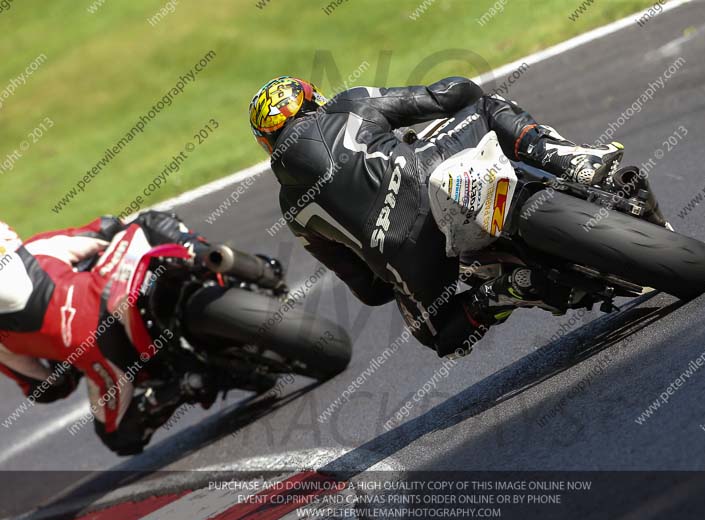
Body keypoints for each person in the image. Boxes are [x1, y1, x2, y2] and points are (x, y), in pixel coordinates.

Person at [248, 76, 633, 357]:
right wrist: (465, 89)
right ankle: (571, 160)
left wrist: (392, 265)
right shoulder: (350, 104)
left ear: (268, 143)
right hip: (427, 175)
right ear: (314, 99)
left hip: (406, 257)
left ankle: (504, 291)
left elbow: (369, 291)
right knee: (487, 107)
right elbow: (447, 95)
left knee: (439, 334)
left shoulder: (291, 208)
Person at [0, 212, 214, 455]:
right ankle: (205, 256)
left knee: (118, 436)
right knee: (147, 222)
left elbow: (48, 388)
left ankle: (184, 386)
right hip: (110, 292)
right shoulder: (39, 248)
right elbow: (106, 228)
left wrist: (63, 360)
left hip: (104, 360)